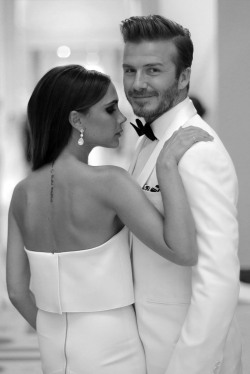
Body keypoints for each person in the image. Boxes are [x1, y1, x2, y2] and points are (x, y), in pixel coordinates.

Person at [6, 64, 212, 374]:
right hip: (112, 342)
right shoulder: (111, 183)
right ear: (76, 120)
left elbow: (17, 291)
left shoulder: (22, 193)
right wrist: (167, 164)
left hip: (52, 341)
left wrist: (60, 332)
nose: (122, 119)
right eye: (110, 109)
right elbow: (183, 251)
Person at [120, 15, 242, 374]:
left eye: (153, 70)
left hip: (186, 356)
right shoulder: (147, 140)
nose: (137, 84)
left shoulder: (197, 149)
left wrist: (189, 366)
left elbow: (218, 279)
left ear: (184, 77)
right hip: (148, 347)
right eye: (130, 70)